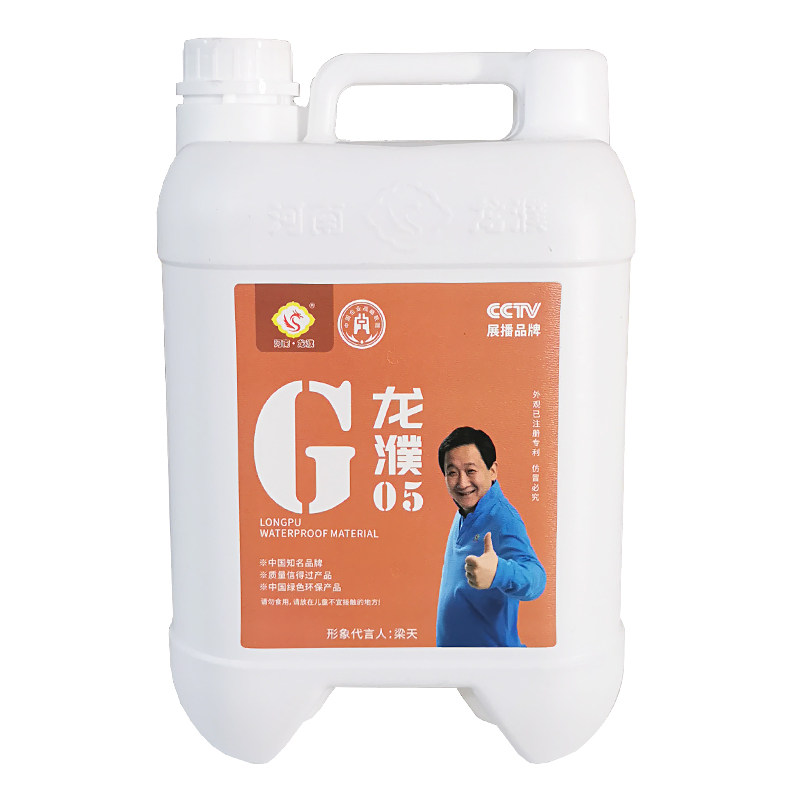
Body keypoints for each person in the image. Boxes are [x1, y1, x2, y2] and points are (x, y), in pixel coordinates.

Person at [435, 426, 546, 647]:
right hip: (457, 661)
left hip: (491, 661)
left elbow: (536, 578)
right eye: (452, 472)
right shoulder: (466, 509)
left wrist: (499, 572)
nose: (462, 483)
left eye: (471, 470)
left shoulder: (503, 519)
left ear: (492, 471)